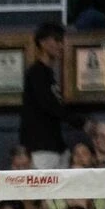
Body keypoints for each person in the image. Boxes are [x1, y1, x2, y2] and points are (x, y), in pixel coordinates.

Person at [20, 23, 68, 168]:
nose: (61, 46)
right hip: (41, 148)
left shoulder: (48, 74)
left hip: (55, 146)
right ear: (43, 42)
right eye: (57, 40)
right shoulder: (36, 72)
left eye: (62, 41)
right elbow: (49, 105)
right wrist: (82, 122)